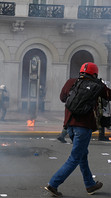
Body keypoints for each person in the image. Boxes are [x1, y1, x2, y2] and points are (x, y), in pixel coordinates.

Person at [45, 62, 111, 196]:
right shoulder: (98, 86)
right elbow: (109, 96)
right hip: (84, 127)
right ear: (95, 73)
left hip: (69, 125)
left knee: (82, 155)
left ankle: (90, 185)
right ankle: (53, 184)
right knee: (75, 158)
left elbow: (62, 98)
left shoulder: (71, 82)